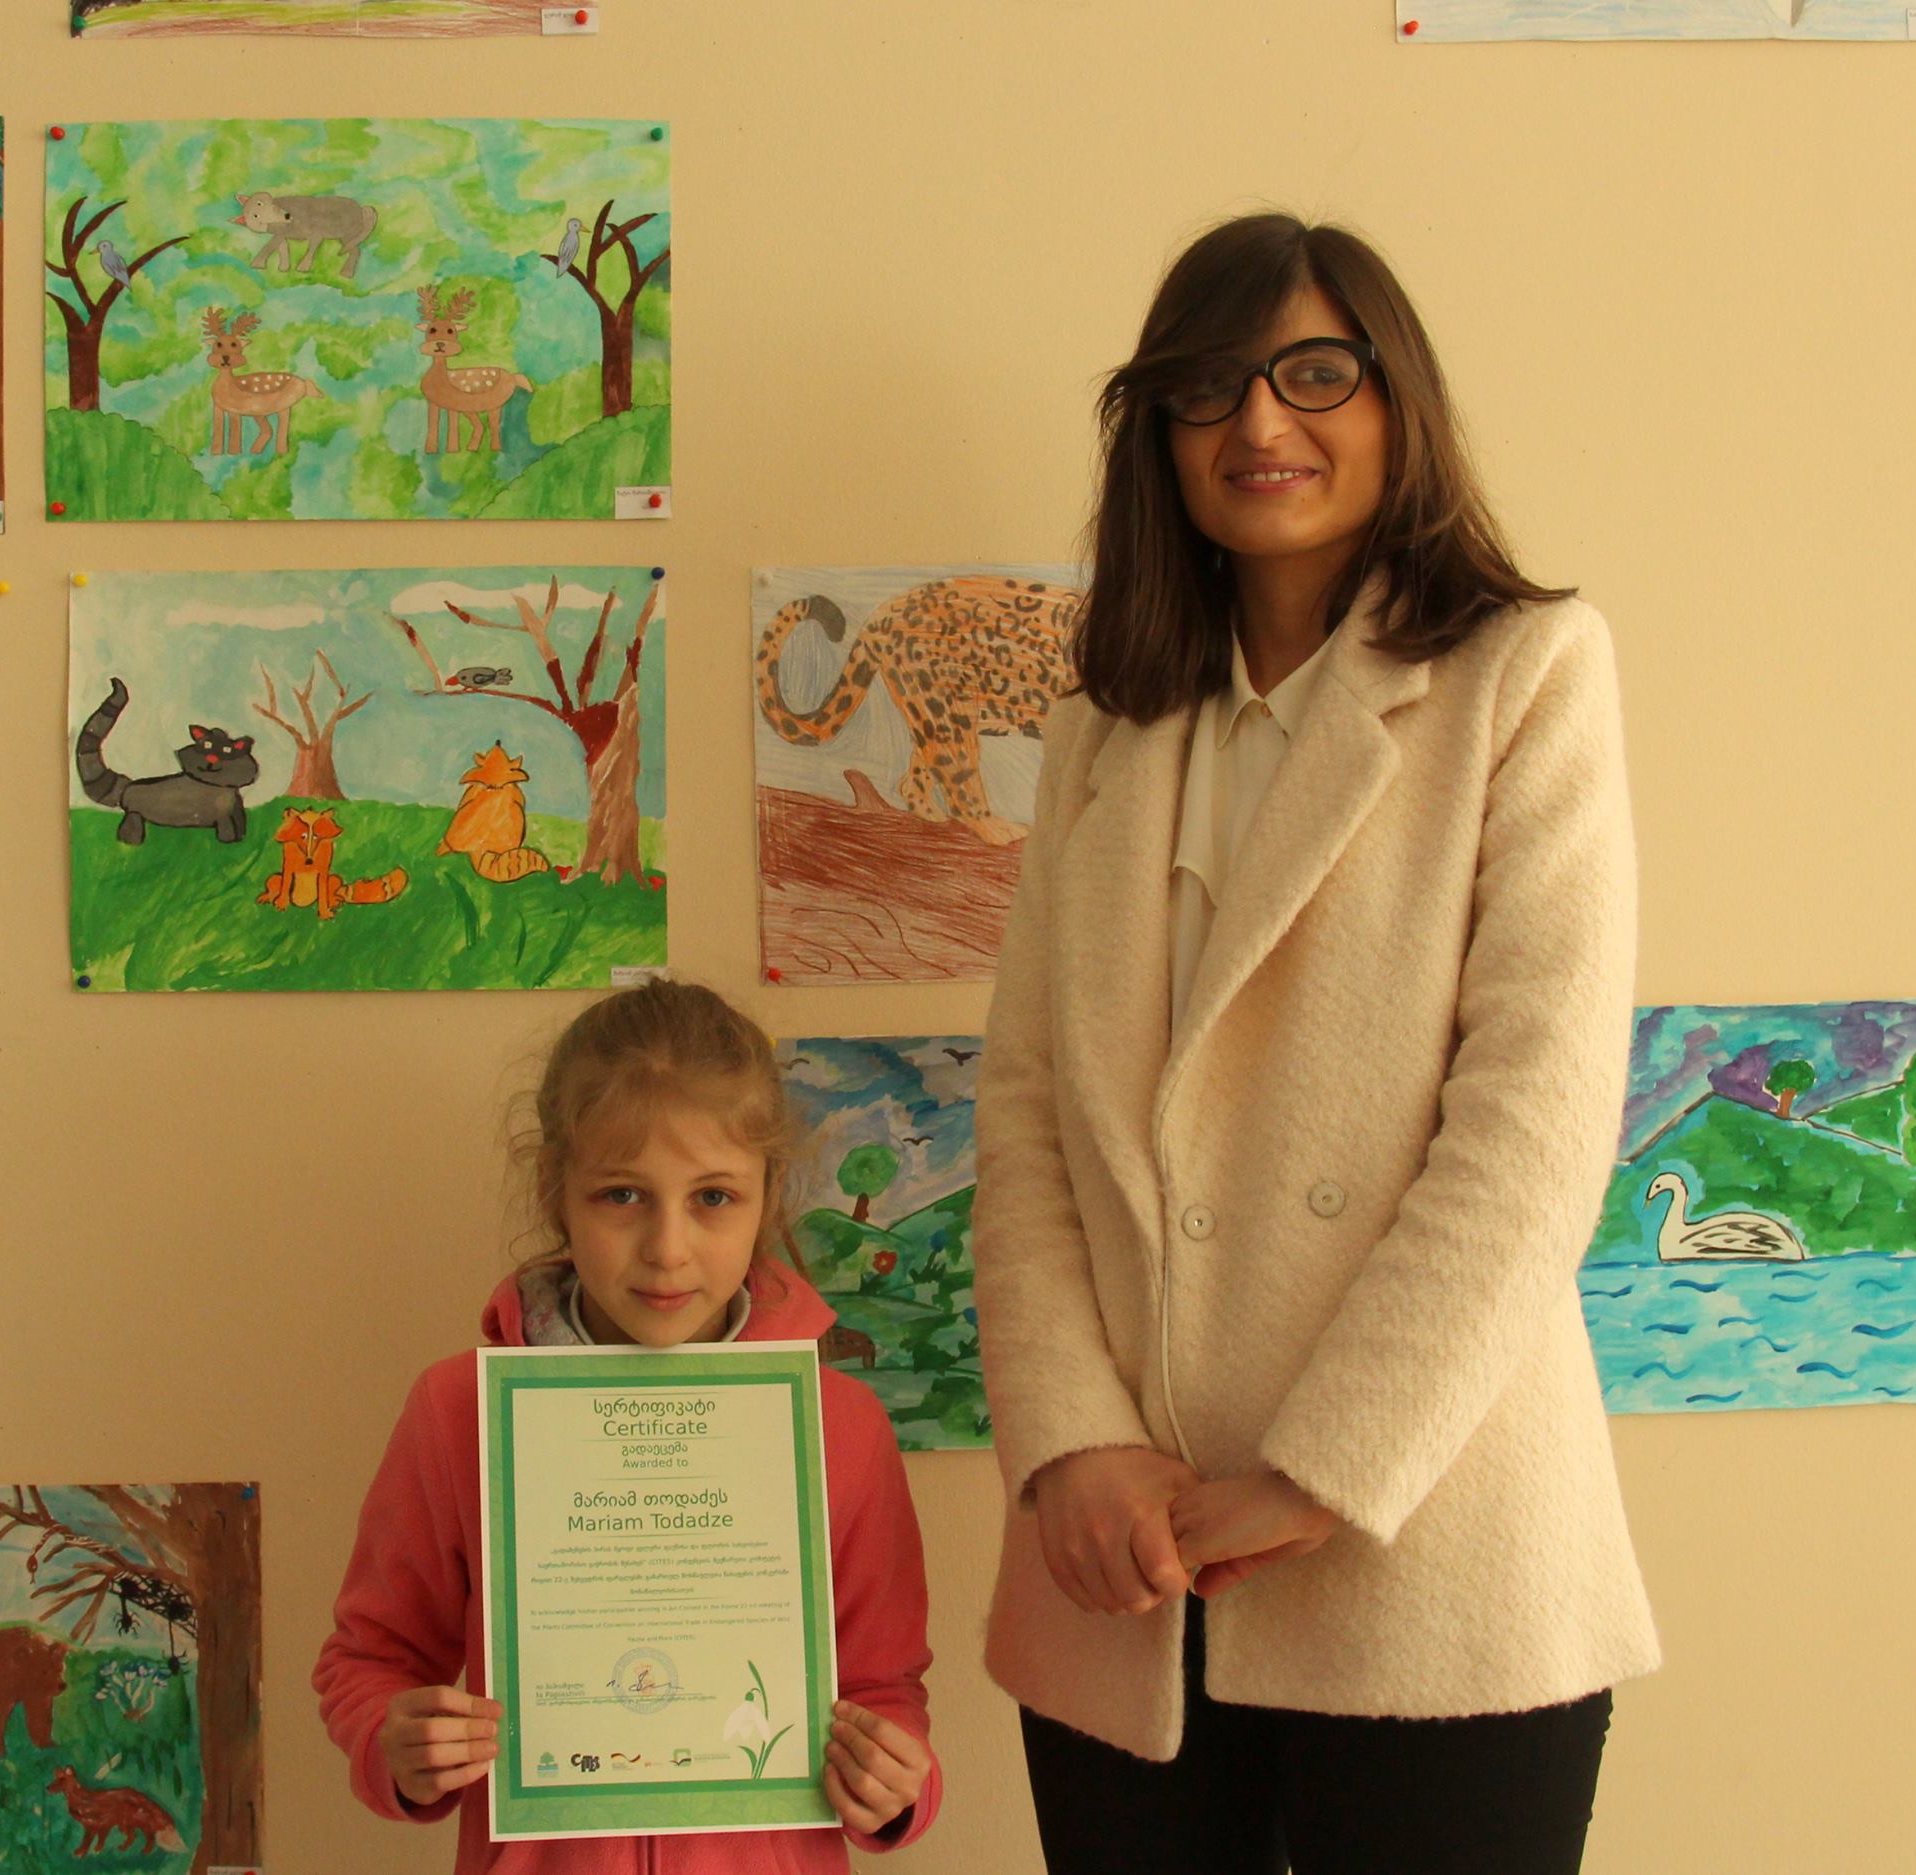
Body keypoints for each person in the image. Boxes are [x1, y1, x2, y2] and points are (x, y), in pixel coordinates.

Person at [972, 212, 1661, 1874]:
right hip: (1126, 1573)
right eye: (1208, 386)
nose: (1260, 421)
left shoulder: (1524, 671)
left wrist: (1321, 1469)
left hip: (1429, 1549)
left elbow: (1533, 1128)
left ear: (1394, 397)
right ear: (1157, 435)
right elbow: (1025, 1115)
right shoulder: (1100, 727)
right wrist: (1069, 1439)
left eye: (1313, 372)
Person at [315, 979, 941, 1874]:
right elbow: (370, 1657)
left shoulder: (839, 1425)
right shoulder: (460, 1412)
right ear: (557, 1192)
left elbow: (884, 1684)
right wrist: (393, 1741)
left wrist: (897, 1782)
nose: (667, 1248)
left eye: (714, 1197)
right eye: (621, 1194)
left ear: (769, 1194)